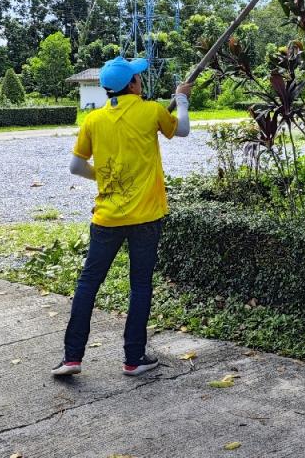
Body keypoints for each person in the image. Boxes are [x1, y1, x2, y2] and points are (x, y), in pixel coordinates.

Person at [53, 57, 192, 378]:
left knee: (88, 283)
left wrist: (104, 179)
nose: (141, 82)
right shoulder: (151, 110)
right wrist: (181, 99)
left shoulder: (93, 120)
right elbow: (182, 129)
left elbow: (76, 167)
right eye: (137, 78)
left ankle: (72, 357)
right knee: (140, 285)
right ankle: (133, 359)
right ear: (132, 85)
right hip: (146, 216)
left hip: (106, 218)